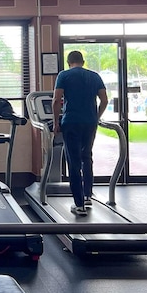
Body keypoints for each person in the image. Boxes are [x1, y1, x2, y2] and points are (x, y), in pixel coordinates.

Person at [52, 51, 108, 217]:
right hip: (89, 123)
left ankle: (79, 205)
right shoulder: (94, 76)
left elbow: (56, 100)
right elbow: (104, 100)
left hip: (71, 122)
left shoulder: (64, 75)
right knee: (86, 157)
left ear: (69, 62)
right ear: (82, 62)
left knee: (73, 161)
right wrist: (96, 117)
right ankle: (87, 195)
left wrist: (56, 122)